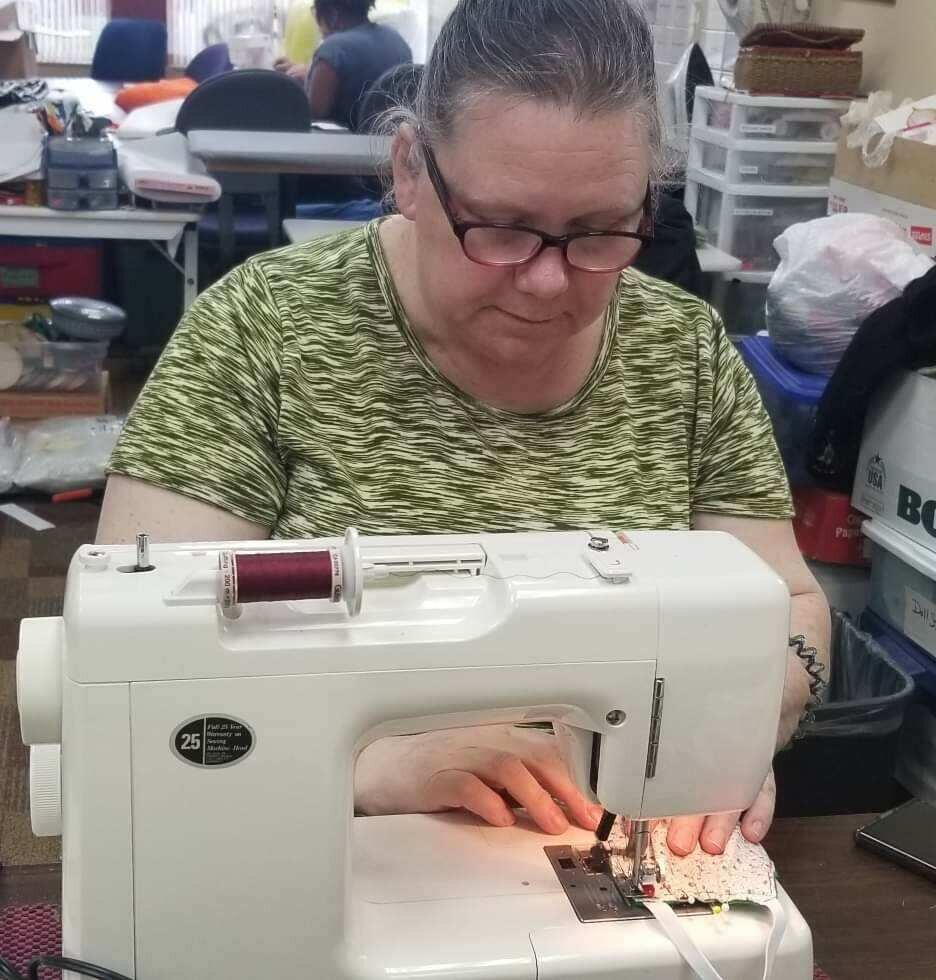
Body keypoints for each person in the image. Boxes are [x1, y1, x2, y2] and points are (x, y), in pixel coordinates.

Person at [99, 0, 830, 859]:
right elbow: (132, 662)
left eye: (600, 232)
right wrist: (366, 759)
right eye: (504, 228)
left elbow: (790, 603)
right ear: (410, 169)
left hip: (584, 831)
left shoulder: (687, 354)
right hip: (306, 843)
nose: (550, 284)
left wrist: (731, 723)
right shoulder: (263, 331)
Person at [274, 0, 411, 130]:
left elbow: (314, 112)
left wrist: (291, 85)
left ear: (332, 14)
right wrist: (311, 74)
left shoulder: (334, 49)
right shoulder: (395, 39)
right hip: (390, 143)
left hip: (342, 147)